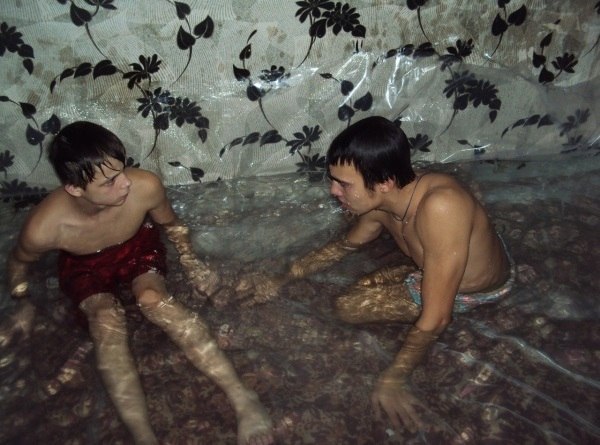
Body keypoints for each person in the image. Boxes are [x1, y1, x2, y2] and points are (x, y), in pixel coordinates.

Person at [236, 115, 514, 433]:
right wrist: (282, 278)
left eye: (344, 184)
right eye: (333, 180)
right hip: (431, 267)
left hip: (476, 291)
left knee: (348, 307)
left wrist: (394, 378)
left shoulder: (441, 207)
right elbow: (344, 246)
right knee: (357, 291)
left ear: (384, 183)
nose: (333, 190)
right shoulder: (380, 203)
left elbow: (437, 317)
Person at [6, 121, 274, 445]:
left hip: (137, 246)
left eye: (122, 170)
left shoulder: (144, 187)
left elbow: (173, 226)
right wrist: (22, 302)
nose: (125, 184)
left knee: (154, 300)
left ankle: (243, 398)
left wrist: (192, 263)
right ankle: (143, 436)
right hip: (83, 265)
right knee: (104, 318)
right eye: (109, 181)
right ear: (75, 189)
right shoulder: (44, 227)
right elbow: (19, 263)